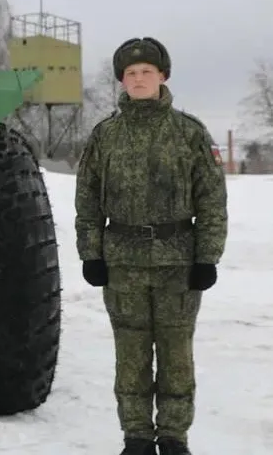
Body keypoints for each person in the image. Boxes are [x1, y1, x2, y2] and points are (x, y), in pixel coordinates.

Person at [74, 37, 228, 455]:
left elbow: (212, 199)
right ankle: (137, 435)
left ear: (163, 76)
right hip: (122, 263)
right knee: (131, 355)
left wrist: (207, 257)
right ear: (122, 81)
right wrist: (91, 253)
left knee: (177, 355)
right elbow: (86, 198)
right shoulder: (105, 135)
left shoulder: (189, 133)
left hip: (178, 263)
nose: (139, 79)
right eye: (130, 73)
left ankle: (174, 436)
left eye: (146, 72)